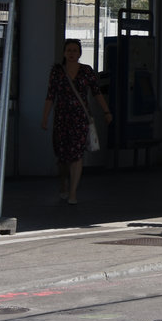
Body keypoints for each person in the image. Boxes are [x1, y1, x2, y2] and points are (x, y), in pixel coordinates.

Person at [41, 38, 112, 205]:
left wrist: (106, 111)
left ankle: (73, 192)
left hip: (80, 118)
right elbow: (50, 95)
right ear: (64, 53)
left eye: (75, 50)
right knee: (62, 156)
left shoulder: (87, 71)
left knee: (77, 154)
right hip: (62, 118)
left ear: (80, 53)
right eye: (69, 50)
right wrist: (45, 117)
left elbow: (97, 93)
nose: (72, 53)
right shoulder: (57, 72)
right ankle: (63, 182)